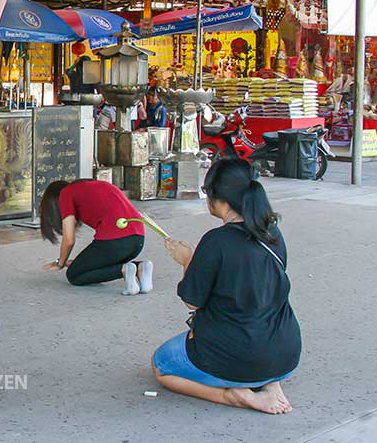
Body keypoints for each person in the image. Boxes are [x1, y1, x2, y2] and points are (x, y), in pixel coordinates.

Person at [154, 159, 301, 415]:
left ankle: (233, 395)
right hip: (286, 353)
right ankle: (269, 383)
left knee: (162, 365)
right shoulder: (272, 233)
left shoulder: (216, 241)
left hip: (236, 354)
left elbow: (193, 301)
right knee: (255, 324)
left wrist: (187, 260)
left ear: (217, 197)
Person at [39, 180, 152, 295]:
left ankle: (123, 270)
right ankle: (141, 267)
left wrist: (60, 263)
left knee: (74, 275)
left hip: (116, 241)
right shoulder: (96, 185)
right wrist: (81, 262)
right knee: (89, 262)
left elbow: (69, 240)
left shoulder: (65, 193)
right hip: (138, 240)